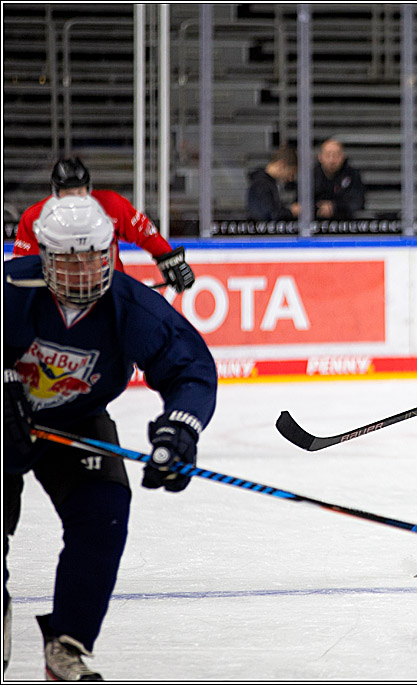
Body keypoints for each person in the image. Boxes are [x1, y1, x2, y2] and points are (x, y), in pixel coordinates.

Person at [3, 195, 217, 680]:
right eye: (68, 258)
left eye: (96, 256)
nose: (84, 270)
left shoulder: (130, 304)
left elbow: (191, 368)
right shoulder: (12, 288)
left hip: (76, 421)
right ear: (43, 255)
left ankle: (68, 645)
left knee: (104, 515)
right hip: (3, 420)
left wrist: (180, 428)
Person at [14, 158, 196, 294]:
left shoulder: (110, 204)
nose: (76, 197)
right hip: (60, 298)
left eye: (80, 191)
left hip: (111, 293)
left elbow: (145, 232)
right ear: (56, 192)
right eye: (69, 193)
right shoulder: (35, 218)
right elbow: (23, 267)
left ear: (89, 188)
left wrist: (170, 260)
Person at [313, 139, 365, 220]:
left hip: (345, 225)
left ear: (343, 157)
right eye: (328, 155)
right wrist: (317, 208)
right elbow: (299, 205)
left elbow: (357, 202)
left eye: (336, 155)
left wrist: (334, 208)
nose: (332, 160)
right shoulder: (311, 176)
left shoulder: (353, 175)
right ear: (320, 157)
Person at [247, 147, 300, 221]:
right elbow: (270, 214)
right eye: (291, 173)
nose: (291, 179)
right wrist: (291, 212)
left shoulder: (266, 182)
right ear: (282, 165)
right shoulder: (262, 184)